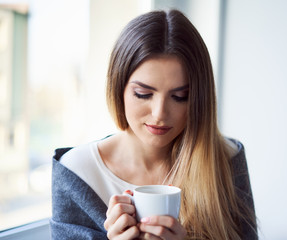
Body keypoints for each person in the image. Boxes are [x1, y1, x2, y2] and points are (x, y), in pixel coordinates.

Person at [51, 9, 257, 240]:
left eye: (180, 97)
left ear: (200, 100)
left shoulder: (225, 159)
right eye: (143, 94)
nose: (159, 114)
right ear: (118, 88)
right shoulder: (78, 172)